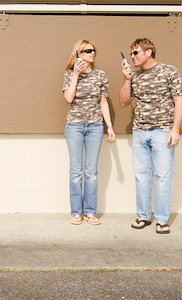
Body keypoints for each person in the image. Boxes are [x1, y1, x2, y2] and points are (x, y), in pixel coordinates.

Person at [119, 38, 182, 234]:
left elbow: (179, 101)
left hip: (163, 132)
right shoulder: (135, 76)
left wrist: (175, 128)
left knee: (163, 176)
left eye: (136, 52)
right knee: (141, 176)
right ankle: (143, 216)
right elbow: (123, 102)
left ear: (148, 52)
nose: (132, 57)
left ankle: (162, 219)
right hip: (140, 132)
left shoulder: (169, 71)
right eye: (131, 53)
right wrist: (127, 78)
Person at [62, 39, 116, 226]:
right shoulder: (69, 74)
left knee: (91, 172)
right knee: (76, 172)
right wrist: (76, 74)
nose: (92, 52)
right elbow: (68, 98)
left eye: (94, 49)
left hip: (94, 127)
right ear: (78, 53)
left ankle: (90, 212)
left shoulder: (100, 75)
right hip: (75, 126)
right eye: (87, 50)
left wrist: (109, 126)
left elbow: (103, 103)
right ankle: (77, 212)